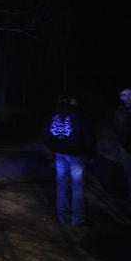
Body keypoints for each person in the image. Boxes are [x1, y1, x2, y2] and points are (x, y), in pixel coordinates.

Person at [42, 95, 97, 226]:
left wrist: (54, 147)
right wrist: (90, 155)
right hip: (76, 155)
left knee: (62, 185)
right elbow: (88, 136)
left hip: (60, 155)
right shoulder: (78, 115)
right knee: (77, 187)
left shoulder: (52, 116)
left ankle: (62, 217)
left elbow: (45, 135)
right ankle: (77, 219)